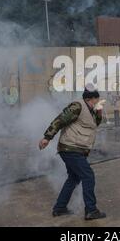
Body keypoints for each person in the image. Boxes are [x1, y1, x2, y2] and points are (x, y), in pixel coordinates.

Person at [39, 85, 107, 221]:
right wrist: (47, 137)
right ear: (90, 99)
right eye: (96, 99)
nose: (98, 101)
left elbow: (95, 124)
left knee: (74, 178)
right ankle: (91, 210)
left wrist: (99, 113)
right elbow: (60, 120)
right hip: (71, 149)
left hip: (77, 149)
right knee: (88, 176)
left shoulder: (92, 110)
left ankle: (59, 208)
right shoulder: (77, 106)